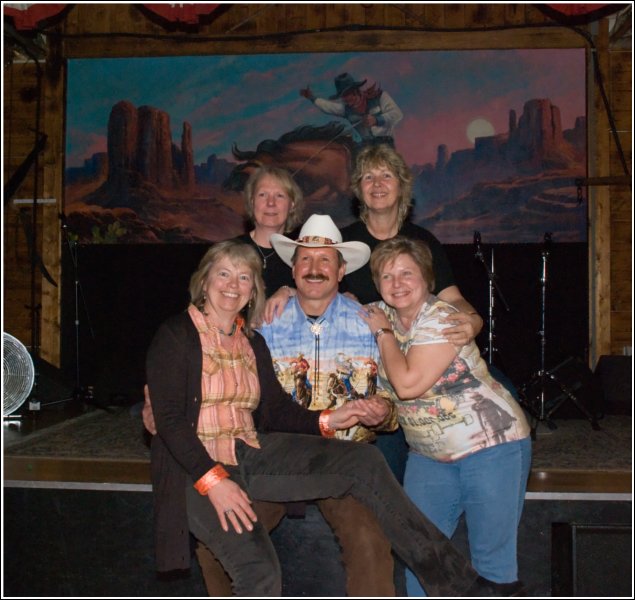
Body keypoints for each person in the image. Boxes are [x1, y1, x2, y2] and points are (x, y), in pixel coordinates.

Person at [145, 238, 503, 597]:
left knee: (365, 471)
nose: (232, 285)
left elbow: (278, 409)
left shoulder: (258, 339)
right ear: (204, 280)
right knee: (251, 570)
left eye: (243, 278)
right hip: (205, 466)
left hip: (256, 453)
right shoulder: (187, 334)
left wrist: (333, 419)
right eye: (223, 274)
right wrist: (214, 481)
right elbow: (170, 420)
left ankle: (456, 583)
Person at [267, 144, 483, 483]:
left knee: (503, 390)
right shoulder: (344, 242)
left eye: (386, 175)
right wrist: (285, 290)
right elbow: (315, 278)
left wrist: (473, 319)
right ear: (358, 189)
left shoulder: (423, 242)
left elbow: (453, 298)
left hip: (422, 355)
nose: (377, 183)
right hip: (373, 368)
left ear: (402, 185)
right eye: (368, 176)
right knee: (382, 450)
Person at [361, 236, 532, 596]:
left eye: (407, 274)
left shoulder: (441, 318)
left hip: (491, 444)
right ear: (377, 283)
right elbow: (327, 307)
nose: (397, 284)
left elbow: (407, 384)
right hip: (429, 455)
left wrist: (382, 333)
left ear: (427, 279)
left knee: (491, 565)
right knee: (420, 559)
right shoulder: (378, 312)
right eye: (387, 276)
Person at [300, 72, 403, 146]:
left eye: (348, 95)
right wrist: (311, 98)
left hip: (385, 144)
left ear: (356, 91)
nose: (347, 101)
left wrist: (377, 120)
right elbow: (327, 107)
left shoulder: (380, 97)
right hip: (366, 146)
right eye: (343, 97)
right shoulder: (345, 109)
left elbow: (397, 114)